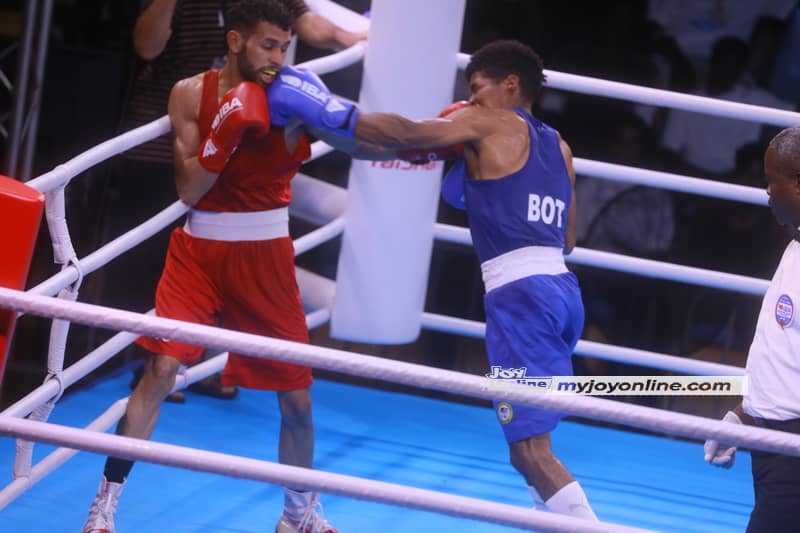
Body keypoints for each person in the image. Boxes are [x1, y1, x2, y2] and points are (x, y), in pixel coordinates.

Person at [81, 1, 361, 531]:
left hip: (267, 257)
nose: (278, 58)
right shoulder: (191, 93)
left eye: (285, 47)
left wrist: (360, 123)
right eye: (267, 46)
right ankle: (104, 507)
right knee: (161, 370)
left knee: (297, 398)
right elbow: (189, 189)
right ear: (235, 41)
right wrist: (225, 130)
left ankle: (299, 514)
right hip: (200, 251)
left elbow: (352, 140)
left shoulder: (296, 91)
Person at [349, 40, 598, 521]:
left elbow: (406, 131)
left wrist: (335, 116)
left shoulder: (488, 121)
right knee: (524, 452)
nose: (471, 102)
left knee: (531, 453)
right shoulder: (559, 145)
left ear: (510, 85)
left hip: (521, 301)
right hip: (562, 293)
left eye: (477, 90)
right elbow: (568, 237)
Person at [111, 0, 366, 402]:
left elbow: (307, 23)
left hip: (243, 137)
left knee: (230, 251)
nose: (278, 56)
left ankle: (210, 365)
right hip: (169, 142)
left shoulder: (267, 12)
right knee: (160, 262)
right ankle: (154, 364)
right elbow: (147, 46)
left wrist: (349, 37)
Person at [704, 126, 800, 533]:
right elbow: (784, 356)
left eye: (771, 181)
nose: (766, 193)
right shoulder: (795, 247)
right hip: (773, 444)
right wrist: (744, 417)